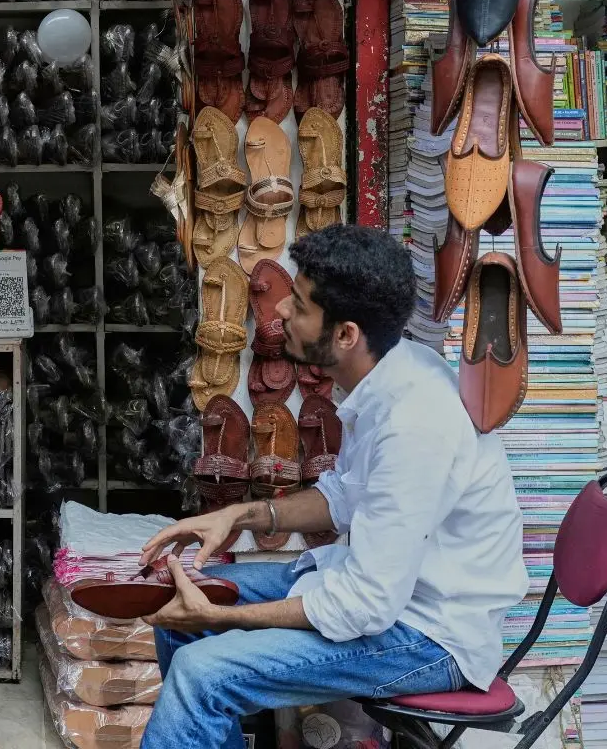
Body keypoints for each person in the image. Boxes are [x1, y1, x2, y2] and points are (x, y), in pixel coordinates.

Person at [137, 225, 528, 749]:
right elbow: (342, 496)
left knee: (201, 673)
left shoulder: (414, 425)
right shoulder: (392, 376)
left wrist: (224, 618)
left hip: (429, 638)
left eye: (297, 305)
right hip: (389, 602)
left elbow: (364, 606)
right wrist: (238, 517)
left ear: (345, 335)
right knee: (179, 615)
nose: (277, 312)